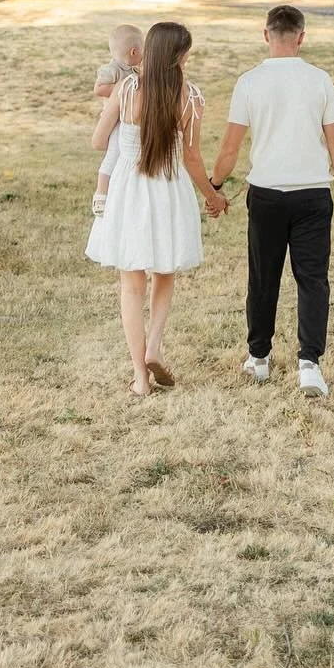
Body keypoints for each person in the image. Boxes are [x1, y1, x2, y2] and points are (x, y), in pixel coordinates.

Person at [208, 4, 334, 399]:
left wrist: (216, 185)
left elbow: (229, 146)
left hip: (267, 195)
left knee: (263, 277)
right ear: (302, 37)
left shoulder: (250, 82)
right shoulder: (320, 80)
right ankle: (310, 364)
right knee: (312, 280)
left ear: (266, 35)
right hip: (312, 193)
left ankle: (259, 358)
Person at [85, 20, 227, 396]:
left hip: (129, 189)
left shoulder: (127, 88)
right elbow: (193, 159)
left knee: (131, 285)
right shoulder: (191, 97)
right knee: (164, 273)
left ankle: (139, 377)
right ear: (180, 56)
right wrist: (212, 196)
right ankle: (154, 346)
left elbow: (100, 141)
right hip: (169, 187)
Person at [91, 22, 144, 217]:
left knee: (125, 154)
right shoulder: (112, 69)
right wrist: (122, 89)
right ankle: (101, 193)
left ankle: (119, 188)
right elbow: (98, 89)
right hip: (115, 120)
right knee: (113, 153)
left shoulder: (133, 70)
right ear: (133, 51)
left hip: (126, 118)